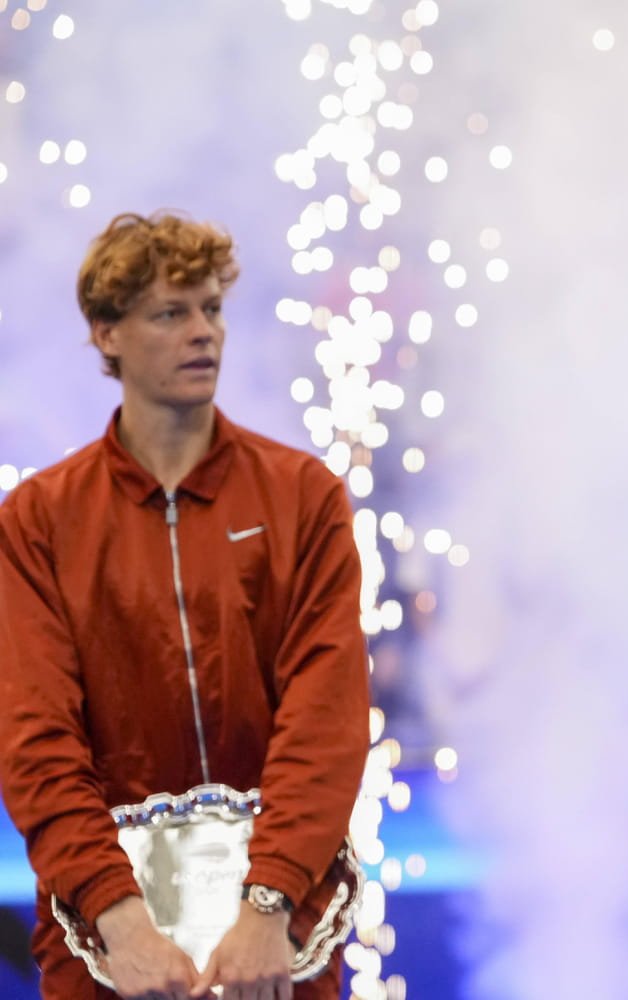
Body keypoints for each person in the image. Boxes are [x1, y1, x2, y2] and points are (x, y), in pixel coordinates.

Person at [0, 212, 370, 999]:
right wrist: (117, 915)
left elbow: (326, 717)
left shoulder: (304, 498)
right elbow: (35, 738)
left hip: (280, 934)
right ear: (107, 333)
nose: (203, 333)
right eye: (171, 313)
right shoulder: (37, 521)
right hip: (103, 942)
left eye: (212, 308)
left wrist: (269, 902)